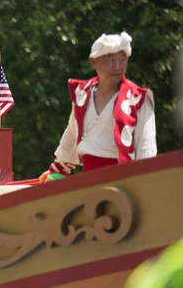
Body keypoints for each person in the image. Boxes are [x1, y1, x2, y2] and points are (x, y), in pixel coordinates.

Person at [40, 32, 156, 182]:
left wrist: (144, 179)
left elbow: (146, 145)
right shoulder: (83, 94)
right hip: (88, 178)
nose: (118, 66)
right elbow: (72, 132)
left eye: (122, 59)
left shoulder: (138, 98)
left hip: (123, 179)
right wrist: (57, 169)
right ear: (93, 62)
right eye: (111, 60)